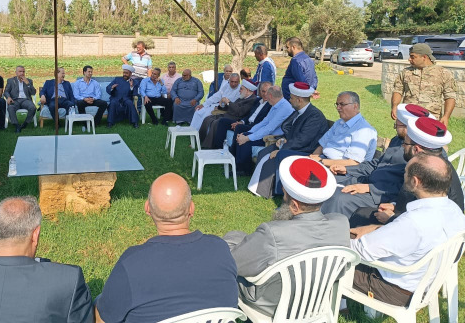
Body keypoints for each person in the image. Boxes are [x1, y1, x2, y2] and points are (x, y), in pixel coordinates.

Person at [95, 173, 237, 322]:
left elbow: (103, 319)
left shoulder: (131, 264)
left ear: (147, 208)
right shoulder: (220, 249)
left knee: (100, 303)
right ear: (191, 208)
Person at [224, 157, 348, 318]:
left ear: (295, 206)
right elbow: (340, 271)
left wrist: (230, 239)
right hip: (317, 303)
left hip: (273, 305)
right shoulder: (341, 224)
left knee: (228, 249)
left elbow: (233, 263)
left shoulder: (273, 233)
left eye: (284, 196)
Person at [350, 153, 465, 306]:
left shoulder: (415, 221)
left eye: (405, 172)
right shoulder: (454, 211)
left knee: (329, 255)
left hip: (392, 289)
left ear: (415, 181)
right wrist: (376, 228)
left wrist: (337, 240)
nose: (404, 175)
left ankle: (331, 305)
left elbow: (361, 251)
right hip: (422, 284)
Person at [349, 115, 463, 232]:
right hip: (407, 217)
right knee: (361, 212)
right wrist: (395, 205)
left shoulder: (431, 173)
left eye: (405, 143)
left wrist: (392, 218)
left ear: (416, 149)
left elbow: (427, 223)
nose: (403, 146)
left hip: (420, 232)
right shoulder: (428, 164)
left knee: (359, 217)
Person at [320, 104, 432, 218]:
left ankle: (329, 226)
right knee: (327, 180)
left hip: (382, 195)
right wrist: (347, 169)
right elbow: (378, 164)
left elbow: (407, 188)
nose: (395, 128)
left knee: (339, 198)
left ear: (407, 127)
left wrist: (370, 188)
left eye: (396, 125)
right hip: (368, 180)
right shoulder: (397, 140)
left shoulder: (419, 154)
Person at [247, 82, 329, 195]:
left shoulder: (314, 116)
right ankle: (259, 187)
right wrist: (283, 139)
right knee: (264, 152)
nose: (289, 100)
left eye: (291, 98)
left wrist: (282, 149)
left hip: (305, 150)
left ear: (299, 100)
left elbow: (302, 140)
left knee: (277, 155)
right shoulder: (299, 111)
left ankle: (268, 191)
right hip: (293, 144)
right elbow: (290, 130)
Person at [231, 85, 293, 176]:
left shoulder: (284, 108)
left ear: (270, 96)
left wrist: (248, 137)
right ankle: (237, 165)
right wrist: (250, 132)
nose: (266, 97)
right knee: (243, 134)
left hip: (273, 138)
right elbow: (265, 121)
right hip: (267, 133)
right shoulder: (276, 104)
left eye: (267, 95)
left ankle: (245, 170)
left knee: (246, 141)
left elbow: (269, 128)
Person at [390, 43, 457, 126]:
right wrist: (395, 106)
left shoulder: (443, 73)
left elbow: (450, 96)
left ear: (424, 57)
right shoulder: (406, 72)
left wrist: (446, 116)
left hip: (431, 119)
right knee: (403, 134)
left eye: (413, 57)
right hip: (408, 116)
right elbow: (398, 90)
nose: (409, 59)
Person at [209, 81, 273, 152]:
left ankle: (233, 152)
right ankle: (217, 149)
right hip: (242, 121)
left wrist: (239, 123)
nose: (265, 94)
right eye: (263, 91)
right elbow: (249, 115)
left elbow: (240, 112)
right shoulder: (257, 101)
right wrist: (241, 122)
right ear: (260, 91)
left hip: (254, 126)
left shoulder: (269, 104)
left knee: (238, 127)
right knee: (222, 121)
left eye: (241, 89)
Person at [200, 79, 258, 148]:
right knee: (208, 118)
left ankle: (212, 146)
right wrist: (220, 107)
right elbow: (231, 107)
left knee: (216, 123)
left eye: (241, 89)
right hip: (228, 115)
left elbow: (239, 112)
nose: (239, 91)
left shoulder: (252, 100)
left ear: (247, 90)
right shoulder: (242, 97)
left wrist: (228, 101)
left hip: (236, 119)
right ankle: (201, 141)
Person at [281, 37, 317, 101]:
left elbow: (300, 79)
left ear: (293, 47)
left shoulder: (295, 61)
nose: (287, 50)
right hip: (304, 96)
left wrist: (306, 91)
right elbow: (314, 78)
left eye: (288, 47)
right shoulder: (308, 59)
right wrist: (311, 90)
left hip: (293, 98)